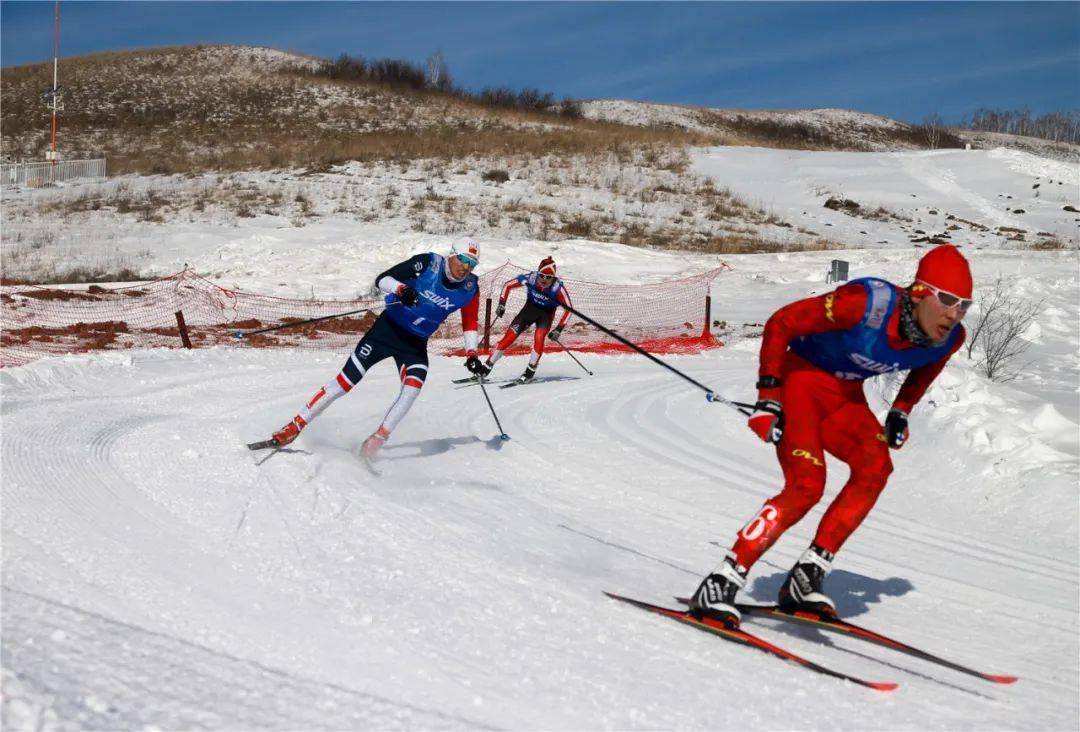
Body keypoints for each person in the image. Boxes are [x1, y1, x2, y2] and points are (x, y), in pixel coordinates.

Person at [688, 244, 973, 626]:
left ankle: (806, 579)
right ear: (920, 292)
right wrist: (769, 397)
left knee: (876, 468)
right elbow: (781, 322)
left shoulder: (949, 338)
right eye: (948, 300)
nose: (955, 314)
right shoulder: (865, 304)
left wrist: (900, 411)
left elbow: (926, 370)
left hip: (844, 396)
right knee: (806, 485)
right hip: (800, 383)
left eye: (964, 305)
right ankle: (722, 580)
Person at [265, 237, 490, 459]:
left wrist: (472, 353)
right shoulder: (428, 264)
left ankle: (376, 441)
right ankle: (294, 427)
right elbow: (382, 279)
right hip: (387, 331)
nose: (465, 267)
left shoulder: (470, 288)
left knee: (412, 388)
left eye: (472, 264)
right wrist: (402, 289)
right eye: (462, 259)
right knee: (346, 381)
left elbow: (470, 322)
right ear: (452, 254)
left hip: (415, 343)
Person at [473, 257, 573, 384]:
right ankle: (486, 368)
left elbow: (569, 309)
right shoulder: (530, 278)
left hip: (545, 316)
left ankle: (529, 371)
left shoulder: (557, 288)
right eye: (542, 275)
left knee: (539, 338)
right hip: (528, 311)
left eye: (549, 277)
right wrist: (502, 304)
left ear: (554, 277)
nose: (544, 279)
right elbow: (507, 286)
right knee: (507, 340)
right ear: (538, 273)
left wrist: (559, 328)